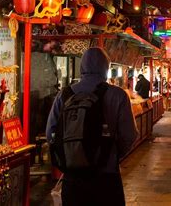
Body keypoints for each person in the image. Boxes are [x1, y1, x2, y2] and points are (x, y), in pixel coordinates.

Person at [46, 47, 138, 206]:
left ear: (82, 67)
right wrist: (113, 154)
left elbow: (50, 133)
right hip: (106, 177)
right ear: (106, 68)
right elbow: (129, 135)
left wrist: (71, 154)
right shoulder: (117, 95)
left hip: (72, 178)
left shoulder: (65, 94)